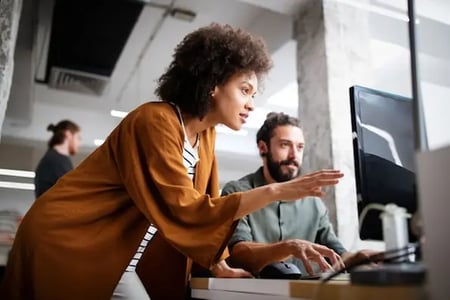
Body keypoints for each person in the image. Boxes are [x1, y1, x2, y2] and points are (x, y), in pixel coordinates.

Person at [0, 24, 343, 300]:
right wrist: (276, 191)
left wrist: (221, 266)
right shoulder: (155, 121)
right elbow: (186, 209)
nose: (251, 103)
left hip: (118, 258)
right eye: (244, 89)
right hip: (70, 240)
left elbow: (208, 210)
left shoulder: (205, 136)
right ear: (212, 84)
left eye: (254, 94)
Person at [222, 112, 373, 275]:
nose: (294, 155)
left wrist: (360, 257)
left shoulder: (313, 202)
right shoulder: (237, 192)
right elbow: (238, 254)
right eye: (285, 145)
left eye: (300, 147)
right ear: (263, 147)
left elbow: (337, 254)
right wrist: (289, 247)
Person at [34, 120, 81, 198]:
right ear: (68, 134)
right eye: (78, 138)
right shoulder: (55, 161)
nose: (79, 143)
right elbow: (71, 193)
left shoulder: (57, 159)